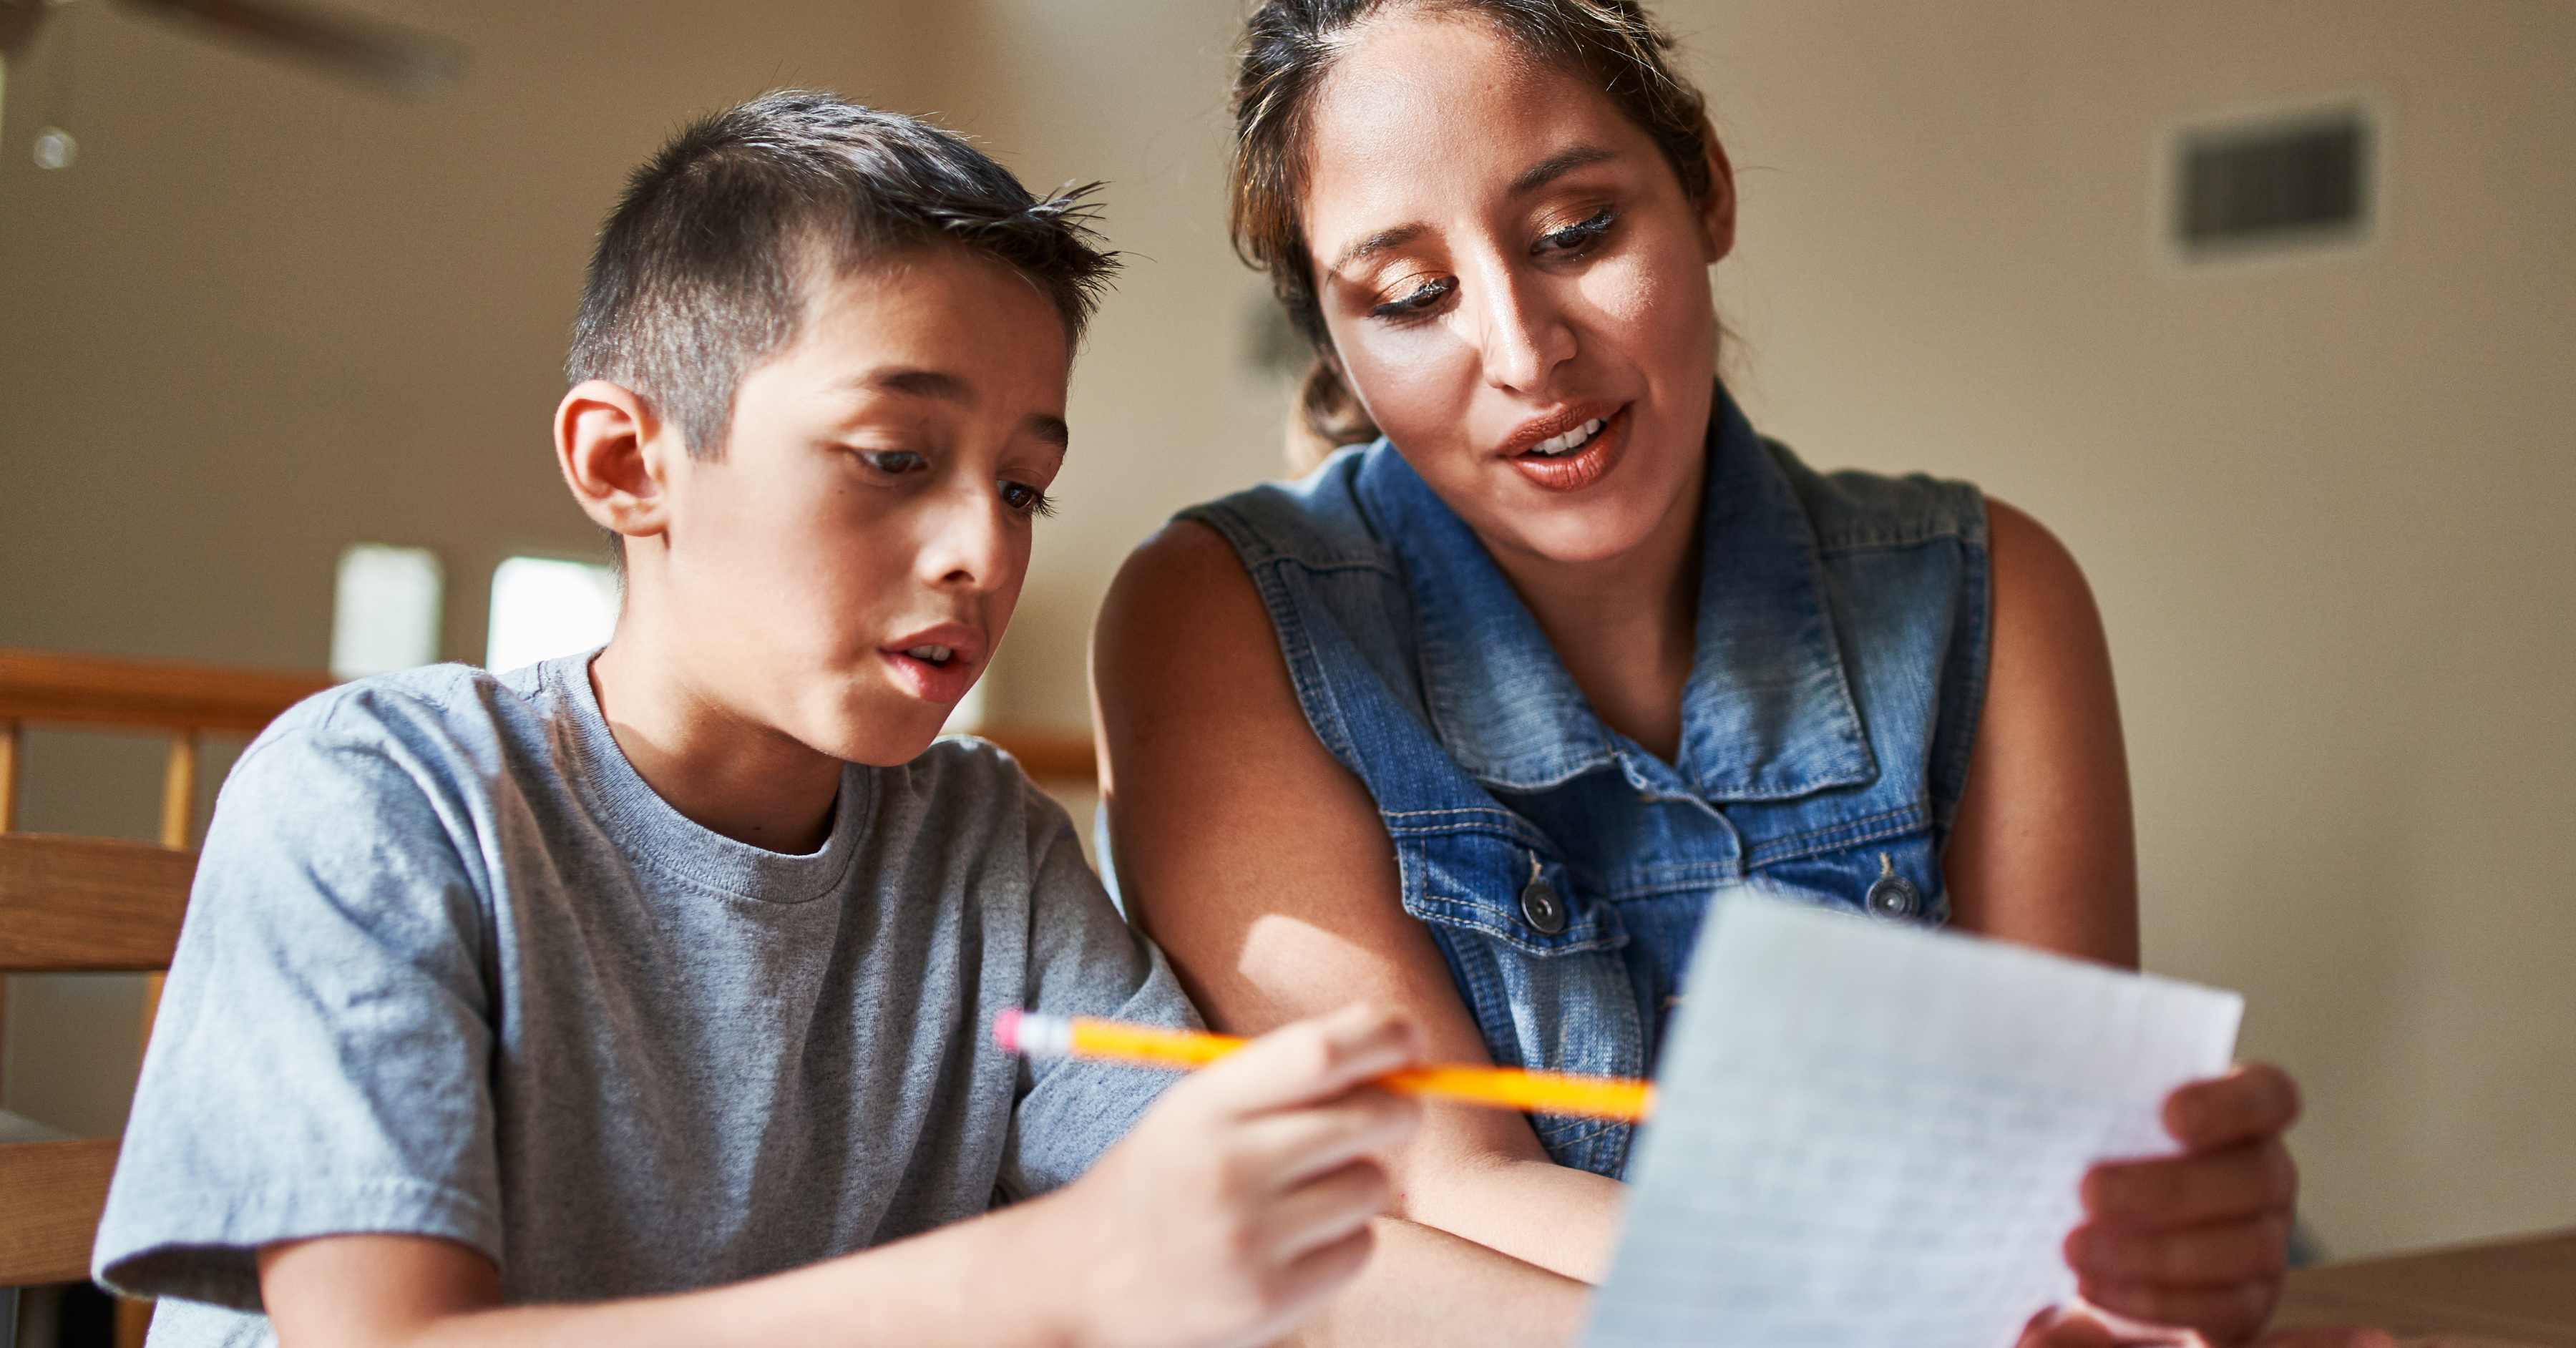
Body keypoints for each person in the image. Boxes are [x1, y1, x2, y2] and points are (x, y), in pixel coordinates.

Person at [1092, 5, 2377, 1347]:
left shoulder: (1993, 593)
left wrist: (2156, 1253)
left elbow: (2069, 1208)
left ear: (1705, 186)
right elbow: (1429, 1185)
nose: (1526, 356)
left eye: (1577, 234)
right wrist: (1961, 1285)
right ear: (1338, 335)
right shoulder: (1220, 614)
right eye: (1413, 298)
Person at [92, 92, 1423, 1348]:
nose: (981, 549)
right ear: (627, 465)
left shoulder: (986, 850)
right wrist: (1057, 1270)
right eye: (896, 458)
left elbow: (1289, 1264)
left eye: (1024, 488)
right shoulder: (376, 795)